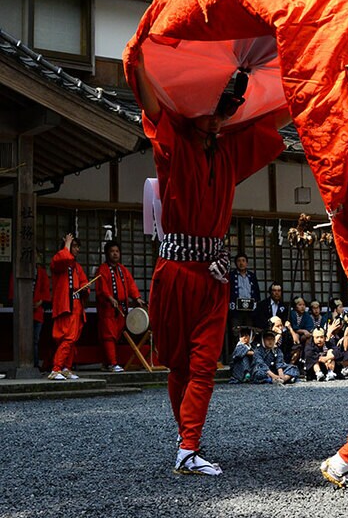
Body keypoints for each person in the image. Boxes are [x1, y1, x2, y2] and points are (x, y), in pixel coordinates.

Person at [131, 52, 285, 476]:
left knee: (203, 365)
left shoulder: (229, 151)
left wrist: (300, 78)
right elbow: (152, 105)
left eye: (225, 109)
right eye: (211, 108)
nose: (218, 118)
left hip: (213, 275)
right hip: (175, 273)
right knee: (179, 363)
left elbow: (275, 121)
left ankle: (189, 445)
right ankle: (186, 440)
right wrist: (141, 58)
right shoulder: (174, 145)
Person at [95, 240, 145, 372]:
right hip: (108, 309)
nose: (115, 254)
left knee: (115, 336)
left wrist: (137, 298)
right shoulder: (102, 269)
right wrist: (110, 298)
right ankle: (112, 363)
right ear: (107, 254)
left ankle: (106, 363)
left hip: (121, 309)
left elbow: (131, 285)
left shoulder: (123, 270)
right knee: (108, 335)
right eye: (112, 251)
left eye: (117, 251)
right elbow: (102, 288)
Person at [49, 233, 89, 380]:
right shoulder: (58, 263)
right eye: (74, 246)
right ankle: (56, 368)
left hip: (76, 305)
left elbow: (84, 281)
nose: (77, 249)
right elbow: (63, 258)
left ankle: (66, 367)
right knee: (68, 338)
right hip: (66, 305)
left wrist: (85, 287)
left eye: (78, 246)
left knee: (73, 338)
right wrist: (67, 243)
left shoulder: (77, 267)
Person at [228, 253, 260, 346]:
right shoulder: (231, 276)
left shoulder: (252, 276)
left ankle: (248, 352)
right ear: (235, 263)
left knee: (249, 330)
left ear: (247, 263)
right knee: (235, 331)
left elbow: (257, 292)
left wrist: (256, 304)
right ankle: (236, 352)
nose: (241, 263)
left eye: (243, 261)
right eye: (238, 261)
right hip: (236, 310)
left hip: (249, 310)